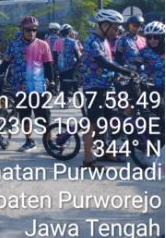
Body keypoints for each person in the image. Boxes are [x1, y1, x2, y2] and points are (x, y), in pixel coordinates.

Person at [80, 9, 136, 170]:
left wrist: (120, 74)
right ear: (104, 25)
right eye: (115, 27)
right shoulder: (92, 41)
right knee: (92, 122)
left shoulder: (104, 40)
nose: (117, 31)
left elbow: (109, 64)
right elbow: (103, 62)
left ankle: (104, 152)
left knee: (107, 120)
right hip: (94, 87)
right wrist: (124, 71)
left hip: (106, 85)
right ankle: (88, 159)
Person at [0, 16, 54, 152]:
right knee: (25, 115)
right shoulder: (13, 45)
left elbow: (48, 65)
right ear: (22, 30)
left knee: (43, 116)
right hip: (19, 87)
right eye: (28, 30)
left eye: (34, 30)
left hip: (38, 87)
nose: (31, 32)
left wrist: (52, 81)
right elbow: (5, 63)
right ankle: (29, 141)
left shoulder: (43, 44)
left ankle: (49, 141)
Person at [53, 24, 81, 103]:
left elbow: (55, 55)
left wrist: (56, 66)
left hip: (60, 67)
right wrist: (76, 65)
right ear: (69, 31)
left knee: (62, 84)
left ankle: (64, 100)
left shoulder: (57, 41)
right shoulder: (73, 42)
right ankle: (80, 102)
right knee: (74, 84)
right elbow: (77, 55)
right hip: (71, 66)